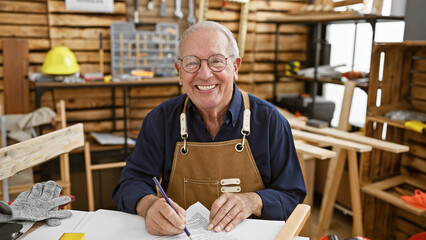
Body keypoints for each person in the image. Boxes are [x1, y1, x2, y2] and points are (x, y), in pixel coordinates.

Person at [112, 21, 306, 236]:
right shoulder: (160, 121)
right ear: (179, 72)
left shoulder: (270, 122)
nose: (204, 75)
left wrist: (254, 201)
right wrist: (148, 205)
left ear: (235, 67)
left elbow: (292, 195)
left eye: (216, 61)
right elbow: (130, 183)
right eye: (192, 63)